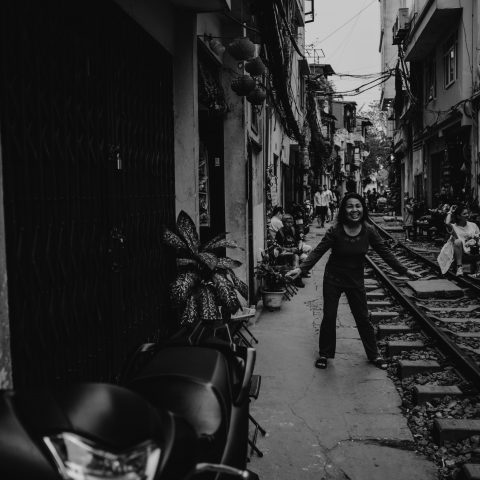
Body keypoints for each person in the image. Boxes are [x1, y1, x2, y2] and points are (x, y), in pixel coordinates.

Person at [286, 192, 421, 370]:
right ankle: (325, 354)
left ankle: (374, 355)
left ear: (363, 209)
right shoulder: (335, 231)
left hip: (355, 280)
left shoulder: (369, 231)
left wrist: (404, 270)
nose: (354, 210)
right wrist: (301, 269)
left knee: (363, 318)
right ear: (343, 210)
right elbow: (318, 251)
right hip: (333, 279)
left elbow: (385, 252)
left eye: (357, 206)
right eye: (350, 206)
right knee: (329, 316)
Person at [275, 214, 311, 287]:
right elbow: (279, 247)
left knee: (306, 257)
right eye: (288, 222)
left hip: (295, 250)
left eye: (291, 222)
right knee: (296, 257)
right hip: (286, 253)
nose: (290, 224)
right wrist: (291, 250)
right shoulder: (280, 233)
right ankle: (297, 278)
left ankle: (302, 271)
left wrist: (300, 246)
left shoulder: (294, 229)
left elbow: (299, 240)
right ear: (283, 222)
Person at [445, 203, 480, 277]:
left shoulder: (473, 225)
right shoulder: (454, 227)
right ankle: (459, 267)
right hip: (461, 254)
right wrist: (450, 212)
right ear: (458, 216)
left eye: (467, 213)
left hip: (475, 252)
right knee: (457, 241)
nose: (467, 215)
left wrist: (475, 241)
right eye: (464, 214)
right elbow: (447, 223)